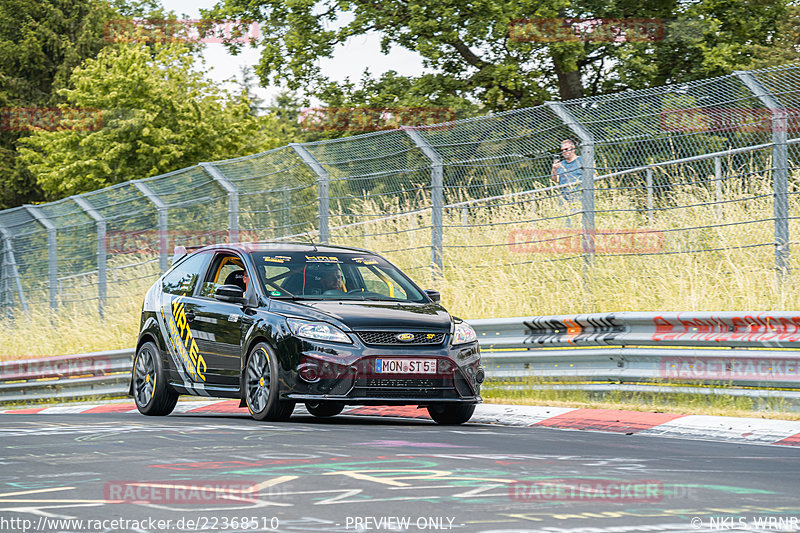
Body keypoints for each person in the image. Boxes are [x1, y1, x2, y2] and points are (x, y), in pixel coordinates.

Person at [551, 139, 583, 204]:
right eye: (562, 150)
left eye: (566, 149)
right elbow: (555, 180)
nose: (564, 152)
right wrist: (554, 169)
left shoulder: (582, 160)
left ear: (573, 149)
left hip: (580, 197)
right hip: (564, 200)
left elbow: (593, 176)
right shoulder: (560, 164)